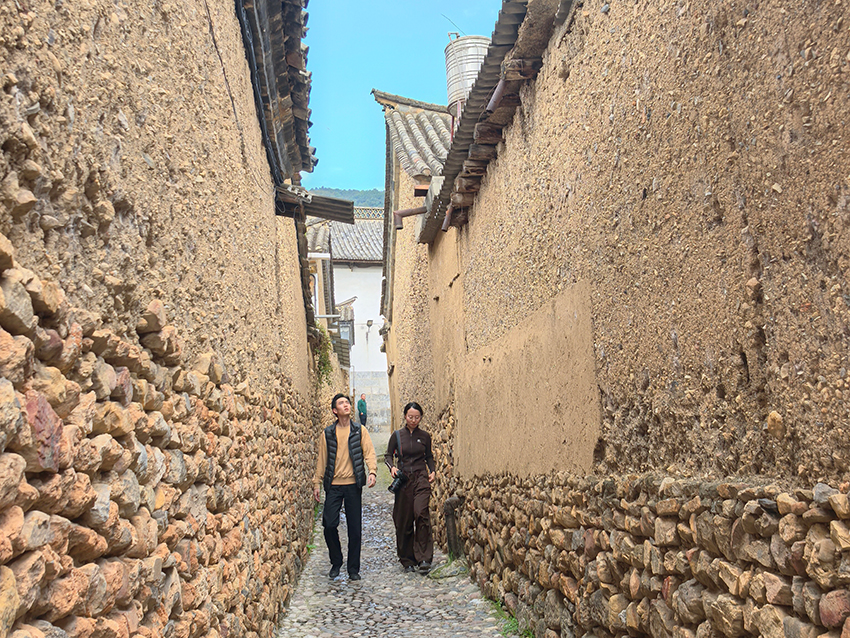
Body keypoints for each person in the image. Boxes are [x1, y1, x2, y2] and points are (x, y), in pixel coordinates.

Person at [313, 393, 377, 581]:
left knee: (354, 528)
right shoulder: (327, 433)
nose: (346, 405)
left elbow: (369, 452)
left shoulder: (359, 430)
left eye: (347, 402)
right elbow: (322, 459)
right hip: (333, 485)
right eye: (341, 403)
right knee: (329, 524)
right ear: (335, 410)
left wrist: (372, 471)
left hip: (353, 485)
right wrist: (317, 482)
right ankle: (336, 561)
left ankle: (353, 569)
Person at [385, 401, 435, 574]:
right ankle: (407, 559)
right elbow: (387, 455)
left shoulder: (425, 436)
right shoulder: (397, 436)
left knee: (421, 513)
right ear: (405, 417)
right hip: (404, 479)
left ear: (421, 417)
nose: (414, 420)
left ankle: (424, 558)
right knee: (404, 520)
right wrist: (392, 467)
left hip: (421, 477)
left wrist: (433, 471)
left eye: (417, 417)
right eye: (410, 417)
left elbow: (429, 456)